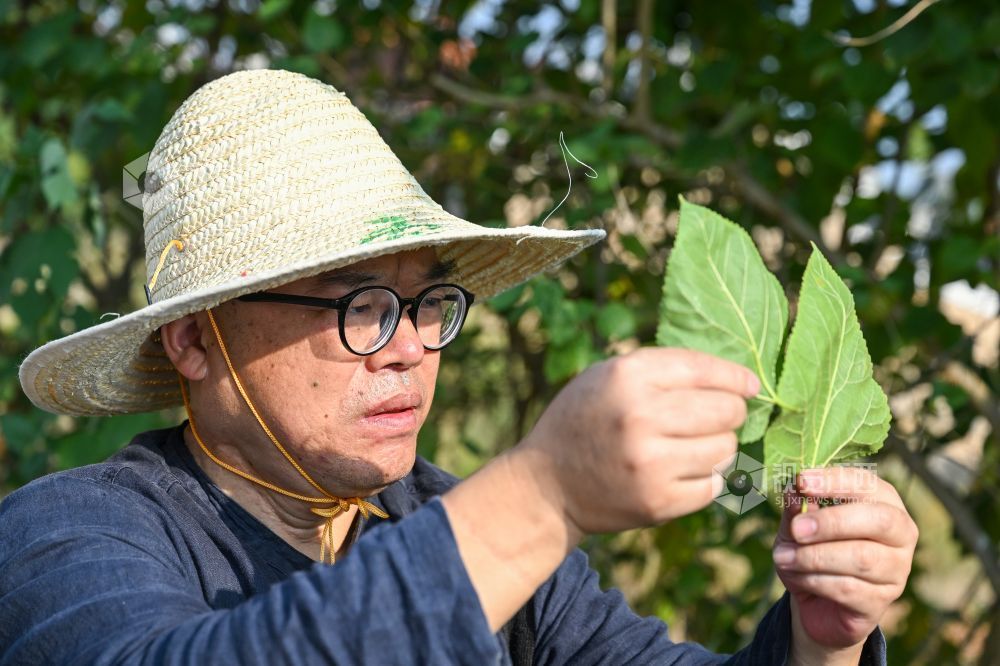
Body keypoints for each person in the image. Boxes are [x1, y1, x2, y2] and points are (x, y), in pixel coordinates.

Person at [1, 69, 916, 665]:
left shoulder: (449, 529)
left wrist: (823, 639)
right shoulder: (66, 535)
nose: (409, 345)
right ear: (195, 340)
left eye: (428, 303)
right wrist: (543, 498)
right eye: (357, 303)